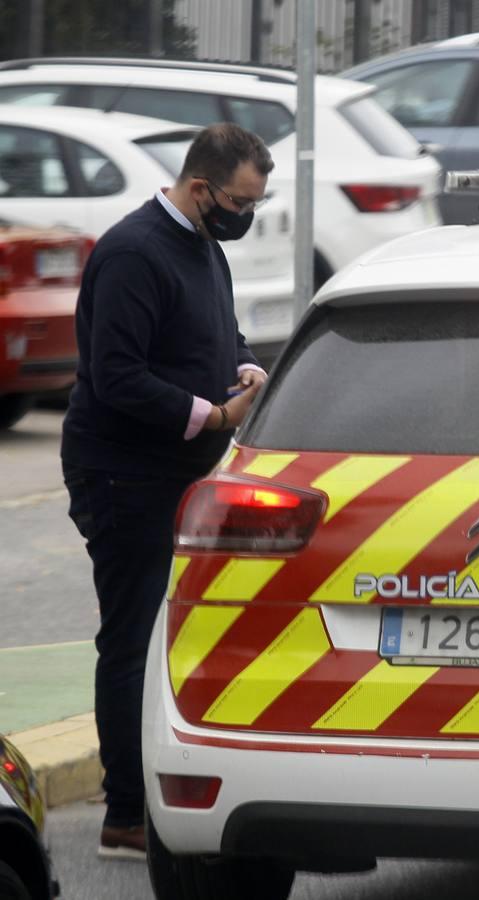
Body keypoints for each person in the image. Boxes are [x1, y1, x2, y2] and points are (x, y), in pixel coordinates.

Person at [60, 123, 272, 860]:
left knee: (169, 640)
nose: (247, 216)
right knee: (133, 641)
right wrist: (211, 416)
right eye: (242, 201)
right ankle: (124, 815)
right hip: (124, 473)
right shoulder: (133, 251)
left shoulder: (202, 243)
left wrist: (242, 367)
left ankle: (147, 792)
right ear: (202, 188)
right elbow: (114, 375)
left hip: (178, 471)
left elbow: (217, 333)